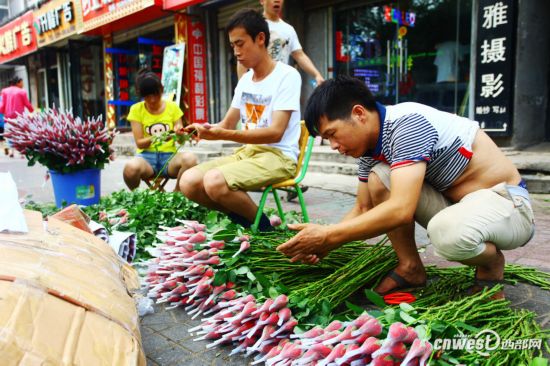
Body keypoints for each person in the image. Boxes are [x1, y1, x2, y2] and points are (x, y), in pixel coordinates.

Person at [277, 76, 535, 298]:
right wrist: (325, 241)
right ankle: (410, 267)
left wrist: (329, 235)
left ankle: (491, 264)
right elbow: (363, 207)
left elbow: (400, 209)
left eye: (332, 134)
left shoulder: (408, 125)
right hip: (460, 207)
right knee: (380, 178)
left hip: (508, 205)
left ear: (359, 114)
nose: (333, 145)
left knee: (445, 234)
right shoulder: (370, 148)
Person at [180, 8, 302, 232]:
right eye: (232, 46)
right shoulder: (245, 81)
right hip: (248, 153)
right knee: (188, 181)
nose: (236, 51)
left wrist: (222, 134)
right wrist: (205, 128)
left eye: (240, 43)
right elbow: (226, 125)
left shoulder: (287, 76)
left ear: (260, 39)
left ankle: (265, 231)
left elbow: (275, 132)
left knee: (215, 181)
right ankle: (247, 221)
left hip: (279, 157)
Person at [123, 69, 197, 191]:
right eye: (147, 96)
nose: (152, 100)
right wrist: (161, 136)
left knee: (190, 159)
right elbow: (140, 143)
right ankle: (139, 198)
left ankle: (176, 196)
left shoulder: (173, 107)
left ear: (161, 90)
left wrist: (179, 134)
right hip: (146, 158)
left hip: (169, 158)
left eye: (155, 95)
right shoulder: (136, 109)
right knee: (130, 169)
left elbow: (180, 141)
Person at [237, 0, 324, 87]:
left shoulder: (288, 29)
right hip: (257, 85)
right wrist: (241, 87)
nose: (277, 1)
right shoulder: (253, 26)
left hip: (281, 86)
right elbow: (243, 57)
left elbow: (300, 55)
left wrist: (317, 74)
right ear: (262, 1)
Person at [0, 76, 34, 157]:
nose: (22, 84)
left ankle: (11, 152)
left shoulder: (4, 91)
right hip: (19, 117)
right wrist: (32, 110)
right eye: (22, 82)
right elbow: (27, 104)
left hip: (8, 117)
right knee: (20, 134)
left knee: (9, 134)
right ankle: (21, 152)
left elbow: (3, 105)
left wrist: (1, 112)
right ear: (18, 82)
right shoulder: (22, 92)